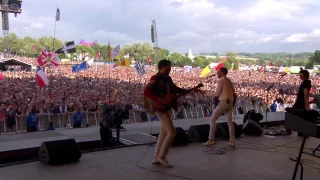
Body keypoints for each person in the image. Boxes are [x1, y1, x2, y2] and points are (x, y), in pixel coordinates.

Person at [144, 59, 191, 168]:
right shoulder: (154, 78)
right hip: (160, 108)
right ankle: (162, 156)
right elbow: (146, 91)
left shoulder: (168, 79)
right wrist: (157, 99)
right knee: (172, 132)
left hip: (166, 106)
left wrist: (187, 90)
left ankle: (156, 157)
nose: (171, 68)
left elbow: (175, 89)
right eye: (169, 66)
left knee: (163, 133)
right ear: (163, 67)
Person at [200, 67, 236, 147]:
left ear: (222, 73)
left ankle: (211, 140)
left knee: (212, 119)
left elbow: (217, 94)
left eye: (218, 72)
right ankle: (232, 141)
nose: (217, 73)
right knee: (230, 122)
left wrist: (206, 93)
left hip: (223, 102)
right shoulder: (229, 80)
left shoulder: (221, 80)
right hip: (230, 102)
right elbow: (233, 91)